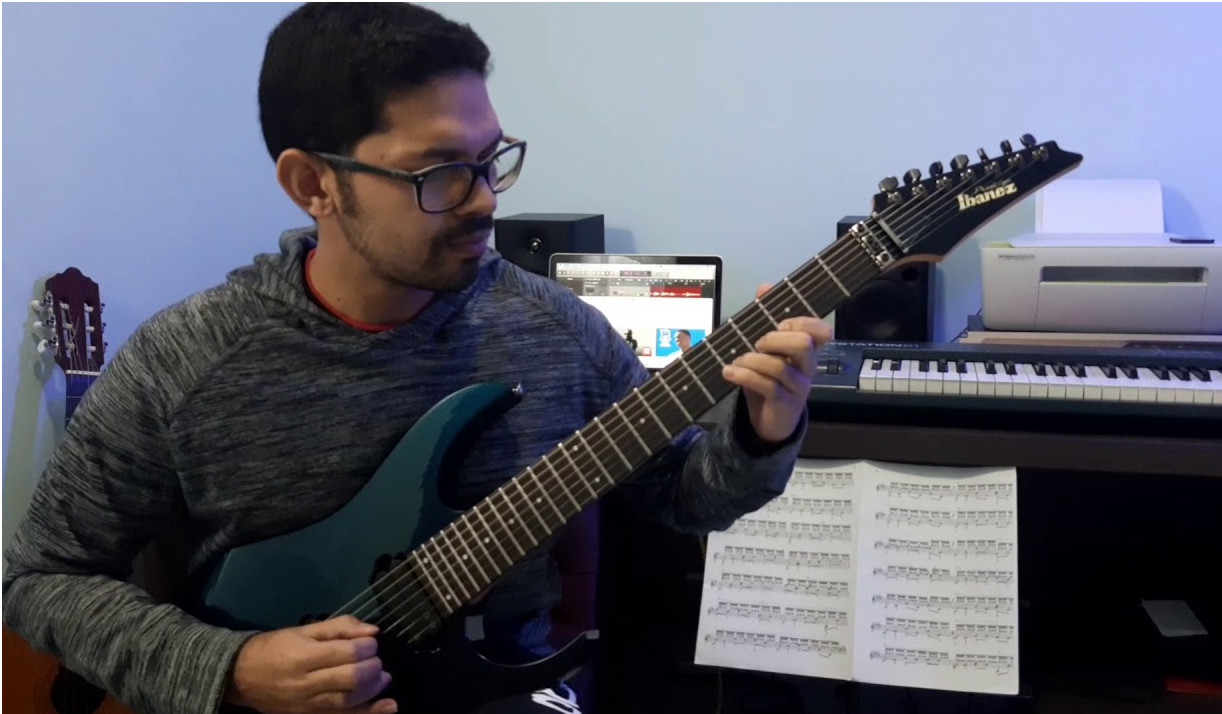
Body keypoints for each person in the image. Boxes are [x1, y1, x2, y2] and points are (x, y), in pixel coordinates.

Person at [1, 4, 832, 714]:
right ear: (313, 184)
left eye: (491, 158)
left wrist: (764, 429)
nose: (484, 200)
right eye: (439, 173)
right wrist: (231, 667)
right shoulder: (187, 360)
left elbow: (685, 496)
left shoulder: (556, 329)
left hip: (501, 687)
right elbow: (38, 576)